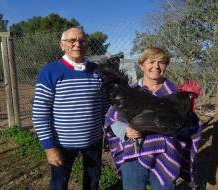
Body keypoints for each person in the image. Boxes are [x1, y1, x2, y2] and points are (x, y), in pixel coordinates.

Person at [104, 47, 202, 190]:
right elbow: (110, 119)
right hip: (133, 153)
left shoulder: (176, 93)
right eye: (151, 62)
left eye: (161, 62)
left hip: (166, 156)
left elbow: (193, 128)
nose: (156, 66)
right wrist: (125, 130)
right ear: (141, 65)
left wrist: (180, 130)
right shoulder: (129, 91)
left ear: (166, 66)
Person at [32, 27, 109, 190]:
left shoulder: (97, 71)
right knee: (59, 183)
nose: (77, 44)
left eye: (82, 40)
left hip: (93, 141)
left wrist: (108, 133)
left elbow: (104, 106)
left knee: (93, 180)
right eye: (72, 40)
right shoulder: (50, 72)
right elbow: (40, 113)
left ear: (87, 45)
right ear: (62, 45)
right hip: (62, 144)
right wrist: (49, 147)